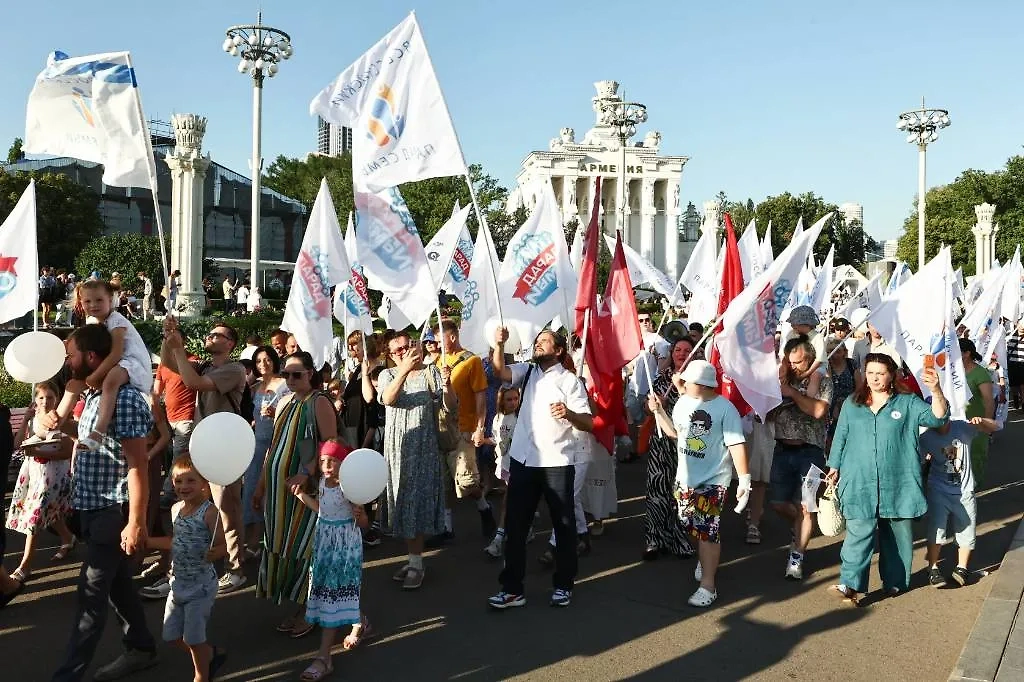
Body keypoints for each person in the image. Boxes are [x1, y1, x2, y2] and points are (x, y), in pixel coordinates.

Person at [52, 324, 157, 682]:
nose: (67, 361)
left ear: (91, 357)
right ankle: (141, 648)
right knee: (118, 587)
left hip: (113, 512)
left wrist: (136, 522)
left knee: (90, 596)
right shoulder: (96, 396)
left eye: (71, 354)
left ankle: (68, 675)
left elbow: (137, 465)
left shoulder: (124, 399)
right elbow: (97, 450)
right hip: (93, 508)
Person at [826, 354, 948, 605]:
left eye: (880, 373)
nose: (874, 378)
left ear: (892, 375)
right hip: (858, 479)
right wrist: (834, 466)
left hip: (898, 480)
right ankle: (850, 584)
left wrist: (935, 390)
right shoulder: (853, 403)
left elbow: (937, 418)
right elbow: (841, 436)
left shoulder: (906, 402)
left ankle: (894, 581)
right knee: (858, 532)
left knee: (896, 533)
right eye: (870, 373)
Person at [486, 327, 593, 610]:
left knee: (564, 525)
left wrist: (568, 413)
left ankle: (563, 585)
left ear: (558, 350)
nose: (538, 343)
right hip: (523, 460)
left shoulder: (570, 382)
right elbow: (500, 372)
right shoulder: (528, 371)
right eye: (537, 340)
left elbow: (588, 422)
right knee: (516, 526)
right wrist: (499, 344)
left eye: (544, 341)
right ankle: (511, 589)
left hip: (557, 461)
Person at [647, 360, 750, 608]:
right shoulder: (683, 403)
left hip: (714, 480)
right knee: (690, 526)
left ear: (703, 384)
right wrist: (658, 412)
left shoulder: (726, 410)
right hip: (685, 479)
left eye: (687, 381)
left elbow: (736, 445)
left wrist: (744, 480)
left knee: (707, 532)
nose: (681, 383)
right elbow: (675, 433)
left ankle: (708, 585)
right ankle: (705, 560)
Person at [160, 319, 249, 594]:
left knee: (227, 508)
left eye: (217, 335)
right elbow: (169, 363)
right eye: (210, 333)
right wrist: (170, 337)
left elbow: (193, 382)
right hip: (203, 443)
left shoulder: (234, 369)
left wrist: (178, 349)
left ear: (230, 344)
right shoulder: (205, 365)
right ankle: (189, 562)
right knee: (192, 504)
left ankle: (236, 568)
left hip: (225, 447)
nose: (210, 337)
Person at [253, 351, 338, 635]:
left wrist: (308, 471)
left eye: (297, 374)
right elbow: (273, 447)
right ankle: (301, 607)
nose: (290, 379)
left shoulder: (319, 402)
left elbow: (330, 444)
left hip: (305, 492)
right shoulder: (286, 401)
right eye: (286, 374)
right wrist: (261, 485)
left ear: (310, 374)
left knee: (306, 551)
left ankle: (311, 612)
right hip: (280, 496)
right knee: (285, 547)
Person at [292, 440, 369, 682]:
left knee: (333, 593)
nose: (326, 466)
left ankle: (324, 658)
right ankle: (360, 621)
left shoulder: (350, 487)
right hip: (325, 543)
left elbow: (363, 524)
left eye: (332, 461)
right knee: (330, 589)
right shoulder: (324, 483)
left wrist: (362, 515)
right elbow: (322, 510)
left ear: (343, 463)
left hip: (344, 546)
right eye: (323, 461)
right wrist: (302, 496)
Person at [145, 456, 227, 682]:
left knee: (193, 638)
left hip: (201, 586)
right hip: (177, 583)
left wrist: (217, 551)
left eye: (190, 481)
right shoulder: (175, 510)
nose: (183, 486)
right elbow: (175, 541)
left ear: (204, 483)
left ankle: (201, 676)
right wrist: (148, 542)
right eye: (178, 481)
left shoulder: (210, 513)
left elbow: (223, 544)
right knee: (171, 636)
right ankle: (208, 654)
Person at [378, 332, 450, 590]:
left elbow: (449, 406)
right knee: (401, 502)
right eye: (397, 350)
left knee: (415, 503)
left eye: (407, 347)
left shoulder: (432, 372)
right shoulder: (387, 375)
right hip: (397, 447)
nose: (404, 352)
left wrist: (449, 385)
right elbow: (388, 399)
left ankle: (417, 564)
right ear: (390, 354)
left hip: (424, 448)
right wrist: (404, 370)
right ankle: (413, 559)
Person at [51, 281, 154, 451]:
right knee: (73, 385)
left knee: (110, 381)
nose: (93, 305)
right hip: (116, 363)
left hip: (132, 363)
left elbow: (116, 353)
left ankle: (99, 430)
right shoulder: (92, 321)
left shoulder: (116, 320)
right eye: (87, 301)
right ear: (80, 302)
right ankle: (54, 425)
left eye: (99, 300)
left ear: (110, 299)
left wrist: (95, 376)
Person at [769, 336, 832, 581]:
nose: (794, 366)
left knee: (807, 506)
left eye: (799, 362)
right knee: (777, 503)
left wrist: (792, 393)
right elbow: (766, 415)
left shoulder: (823, 380)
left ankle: (797, 556)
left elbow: (817, 411)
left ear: (810, 358)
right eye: (790, 361)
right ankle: (800, 527)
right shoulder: (780, 380)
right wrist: (778, 393)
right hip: (782, 449)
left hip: (811, 452)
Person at [432, 319, 496, 544]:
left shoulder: (472, 361)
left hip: (464, 427)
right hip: (442, 428)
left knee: (467, 480)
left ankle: (484, 508)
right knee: (445, 481)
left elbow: (481, 396)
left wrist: (480, 427)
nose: (437, 343)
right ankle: (446, 528)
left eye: (440, 338)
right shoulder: (437, 361)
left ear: (452, 336)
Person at [7, 382, 76, 581]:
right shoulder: (33, 420)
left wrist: (36, 451)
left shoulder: (60, 420)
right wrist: (25, 420)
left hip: (53, 473)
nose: (45, 401)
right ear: (35, 400)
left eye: (50, 397)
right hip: (34, 471)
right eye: (41, 398)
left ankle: (26, 564)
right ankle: (67, 538)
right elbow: (17, 444)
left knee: (36, 516)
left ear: (57, 399)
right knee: (50, 509)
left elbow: (67, 451)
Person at [921, 416, 999, 588]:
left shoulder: (962, 428)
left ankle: (962, 567)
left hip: (964, 490)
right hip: (938, 489)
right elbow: (916, 460)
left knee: (967, 527)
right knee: (936, 528)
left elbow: (994, 427)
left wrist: (982, 421)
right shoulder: (926, 438)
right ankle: (932, 567)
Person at [641, 337, 696, 560]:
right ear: (672, 353)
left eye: (687, 350)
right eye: (678, 350)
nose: (682, 353)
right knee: (657, 489)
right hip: (661, 441)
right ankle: (654, 539)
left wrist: (682, 390)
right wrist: (653, 405)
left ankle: (679, 539)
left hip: (687, 444)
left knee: (682, 493)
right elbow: (647, 409)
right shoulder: (661, 378)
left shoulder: (698, 379)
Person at [245, 347, 290, 559]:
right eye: (259, 361)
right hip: (257, 445)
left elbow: (291, 412)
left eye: (267, 359)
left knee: (272, 492)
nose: (263, 364)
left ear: (274, 361)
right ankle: (254, 541)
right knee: (254, 490)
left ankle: (275, 541)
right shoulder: (255, 387)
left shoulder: (284, 385)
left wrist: (275, 413)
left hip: (276, 442)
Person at [484, 386, 522, 558]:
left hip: (519, 465)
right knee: (515, 502)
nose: (513, 402)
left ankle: (499, 538)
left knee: (509, 501)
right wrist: (483, 441)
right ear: (502, 401)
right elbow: (497, 439)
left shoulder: (521, 418)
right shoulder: (498, 418)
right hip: (504, 464)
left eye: (516, 398)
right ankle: (524, 529)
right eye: (509, 399)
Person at [960, 338, 995, 485]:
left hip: (976, 423)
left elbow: (988, 400)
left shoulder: (980, 373)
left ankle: (974, 487)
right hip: (957, 422)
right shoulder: (951, 372)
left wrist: (986, 424)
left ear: (967, 353)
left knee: (975, 456)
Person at [783, 306, 825, 378]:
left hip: (814, 367)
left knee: (816, 376)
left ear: (807, 324)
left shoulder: (818, 337)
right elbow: (784, 353)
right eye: (792, 323)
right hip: (793, 366)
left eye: (795, 323)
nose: (792, 325)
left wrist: (806, 374)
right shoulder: (791, 334)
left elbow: (819, 360)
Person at [1007, 322, 1024, 409]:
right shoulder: (1009, 335)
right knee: (1014, 385)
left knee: (1022, 385)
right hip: (1012, 364)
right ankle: (1016, 400)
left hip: (1022, 364)